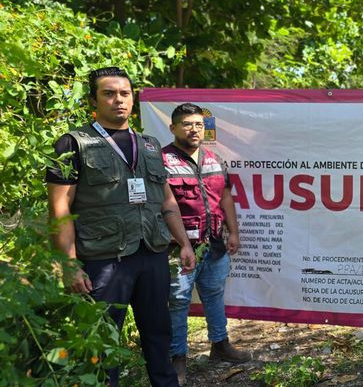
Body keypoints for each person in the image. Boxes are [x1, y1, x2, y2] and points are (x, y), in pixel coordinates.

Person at [46, 67, 196, 387]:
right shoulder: (73, 144)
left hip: (151, 253)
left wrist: (183, 242)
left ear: (133, 99)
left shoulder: (151, 145)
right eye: (109, 93)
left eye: (125, 94)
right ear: (94, 100)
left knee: (159, 332)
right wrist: (69, 265)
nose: (118, 100)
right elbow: (59, 210)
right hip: (103, 258)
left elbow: (167, 201)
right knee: (102, 339)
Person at [163, 103, 249, 385]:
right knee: (178, 302)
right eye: (187, 124)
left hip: (214, 244)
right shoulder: (162, 161)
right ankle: (177, 358)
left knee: (214, 294)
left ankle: (220, 344)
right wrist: (182, 242)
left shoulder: (214, 159)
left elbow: (225, 198)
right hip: (178, 248)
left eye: (198, 124)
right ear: (173, 127)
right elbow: (164, 206)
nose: (194, 129)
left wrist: (233, 233)